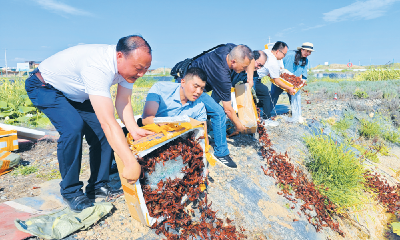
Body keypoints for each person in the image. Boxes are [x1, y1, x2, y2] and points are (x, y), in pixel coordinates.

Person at [25, 35, 154, 212]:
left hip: (77, 93)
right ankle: (70, 191)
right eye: (139, 69)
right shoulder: (98, 66)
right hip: (45, 86)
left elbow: (123, 102)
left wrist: (134, 129)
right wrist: (130, 162)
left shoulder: (129, 67)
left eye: (146, 69)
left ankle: (97, 185)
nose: (141, 74)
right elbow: (108, 122)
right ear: (119, 56)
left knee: (101, 134)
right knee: (73, 128)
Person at [189, 44, 255, 168]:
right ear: (233, 61)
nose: (245, 69)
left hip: (205, 78)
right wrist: (239, 126)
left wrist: (250, 80)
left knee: (215, 103)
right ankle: (221, 153)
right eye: (244, 67)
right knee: (219, 112)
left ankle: (208, 124)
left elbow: (251, 60)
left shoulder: (230, 49)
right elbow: (228, 110)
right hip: (191, 85)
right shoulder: (222, 75)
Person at [141, 67, 207, 125]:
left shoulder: (199, 105)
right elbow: (146, 119)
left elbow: (203, 131)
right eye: (195, 86)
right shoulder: (160, 89)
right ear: (183, 82)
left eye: (202, 88)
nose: (199, 92)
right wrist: (169, 125)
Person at [230, 50, 278, 126]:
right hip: (231, 87)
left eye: (261, 66)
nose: (259, 68)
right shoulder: (239, 65)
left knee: (265, 91)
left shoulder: (254, 71)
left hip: (247, 84)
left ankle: (265, 118)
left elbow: (254, 84)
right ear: (252, 59)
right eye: (259, 64)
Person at [257, 41, 296, 123]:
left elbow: (266, 70)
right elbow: (277, 81)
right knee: (266, 95)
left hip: (252, 75)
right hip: (253, 77)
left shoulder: (266, 52)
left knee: (262, 93)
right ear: (278, 51)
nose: (284, 56)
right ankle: (266, 119)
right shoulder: (273, 62)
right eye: (284, 54)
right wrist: (289, 88)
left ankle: (258, 114)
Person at [281, 42, 314, 123]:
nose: (308, 53)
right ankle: (267, 115)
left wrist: (300, 84)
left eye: (310, 52)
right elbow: (279, 64)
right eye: (307, 51)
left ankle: (295, 115)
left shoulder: (305, 60)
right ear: (302, 50)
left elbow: (304, 76)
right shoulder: (289, 55)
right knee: (273, 96)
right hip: (281, 80)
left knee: (294, 98)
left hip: (293, 83)